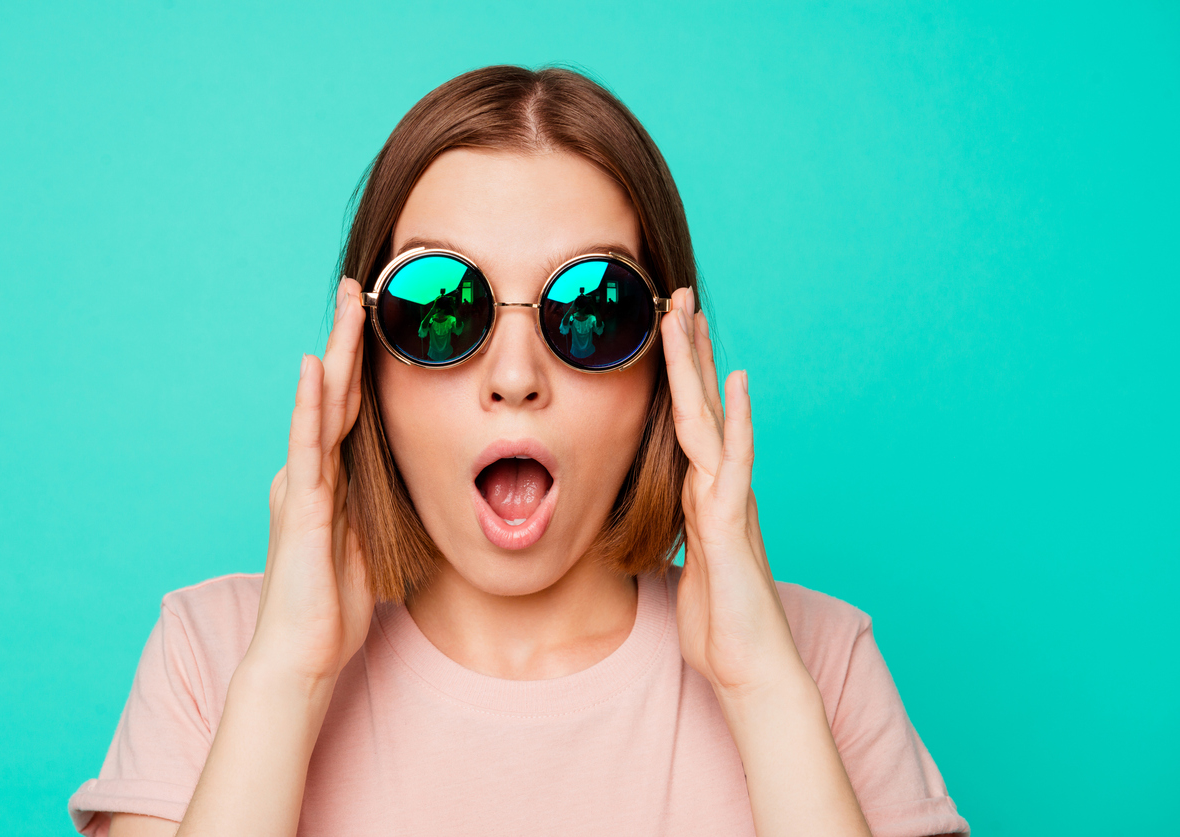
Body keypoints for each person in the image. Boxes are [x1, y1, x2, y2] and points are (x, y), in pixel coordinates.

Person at [68, 65, 970, 837]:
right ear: (368, 358)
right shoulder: (215, 655)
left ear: (667, 360)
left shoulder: (818, 662)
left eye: (594, 308)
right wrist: (287, 679)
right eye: (437, 307)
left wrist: (765, 688)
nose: (514, 375)